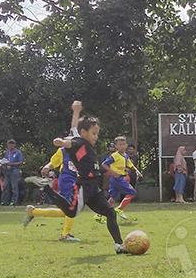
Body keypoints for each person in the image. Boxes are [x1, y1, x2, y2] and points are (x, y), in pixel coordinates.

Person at [43, 115, 129, 253]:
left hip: (94, 187)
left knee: (110, 213)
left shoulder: (85, 142)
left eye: (97, 134)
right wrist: (61, 142)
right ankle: (46, 188)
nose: (96, 137)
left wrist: (76, 111)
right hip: (83, 186)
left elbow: (75, 129)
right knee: (71, 213)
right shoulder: (80, 143)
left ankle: (119, 245)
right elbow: (71, 143)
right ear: (84, 133)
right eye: (93, 133)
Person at [23, 101, 83, 242]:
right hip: (67, 179)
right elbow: (54, 161)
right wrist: (47, 166)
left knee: (67, 211)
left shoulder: (80, 148)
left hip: (75, 180)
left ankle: (34, 212)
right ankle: (65, 235)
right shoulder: (64, 150)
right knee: (71, 209)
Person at [102, 136, 143, 219]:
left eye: (124, 144)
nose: (122, 146)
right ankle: (120, 209)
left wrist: (137, 171)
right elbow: (104, 164)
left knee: (112, 198)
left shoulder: (125, 155)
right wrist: (113, 173)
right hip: (118, 179)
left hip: (117, 179)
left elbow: (130, 165)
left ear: (126, 145)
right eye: (120, 144)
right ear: (116, 146)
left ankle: (100, 215)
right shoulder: (114, 156)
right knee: (132, 192)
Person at [1, 139, 25, 206]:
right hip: (7, 171)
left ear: (14, 145)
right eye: (9, 144)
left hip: (14, 171)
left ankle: (14, 201)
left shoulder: (18, 152)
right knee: (6, 186)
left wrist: (11, 164)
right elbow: (5, 160)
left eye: (12, 144)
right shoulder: (7, 152)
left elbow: (20, 162)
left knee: (14, 187)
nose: (10, 145)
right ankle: (5, 201)